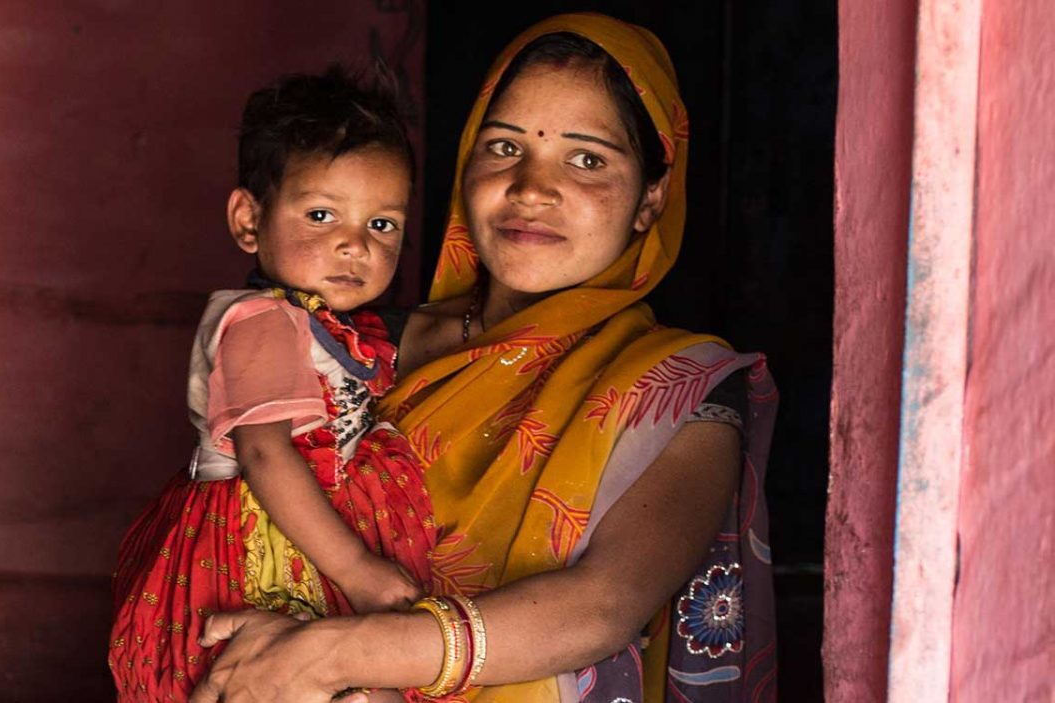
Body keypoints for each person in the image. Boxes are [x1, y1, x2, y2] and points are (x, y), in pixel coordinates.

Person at [189, 14, 779, 703]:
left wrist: (330, 656)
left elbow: (601, 604)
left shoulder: (680, 391)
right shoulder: (359, 342)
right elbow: (239, 520)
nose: (531, 188)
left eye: (586, 159)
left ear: (651, 197)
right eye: (503, 148)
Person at [108, 66, 442, 702]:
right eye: (322, 214)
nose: (355, 246)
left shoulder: (343, 328)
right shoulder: (262, 320)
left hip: (316, 532)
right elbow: (264, 451)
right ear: (249, 220)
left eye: (383, 225)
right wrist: (359, 572)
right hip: (262, 546)